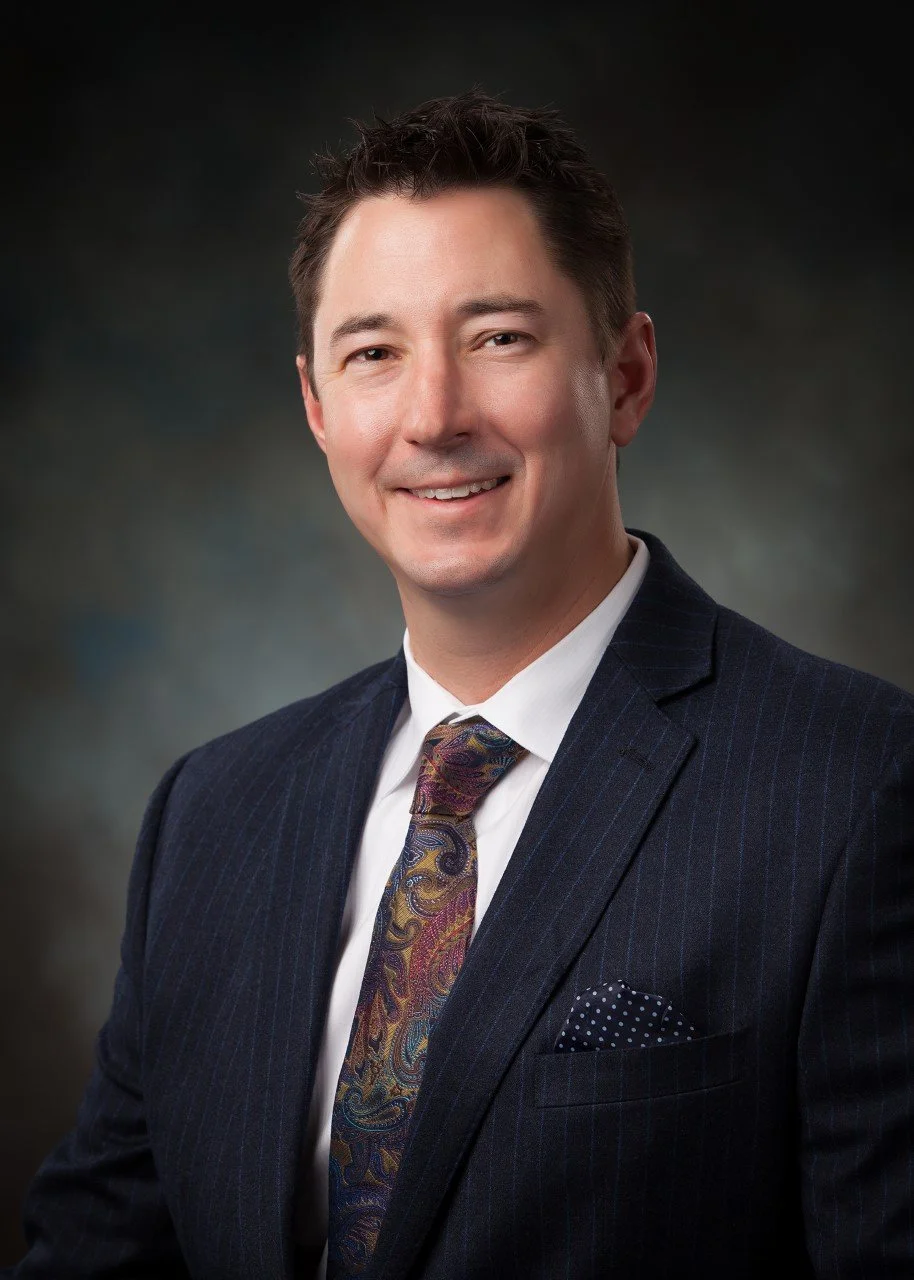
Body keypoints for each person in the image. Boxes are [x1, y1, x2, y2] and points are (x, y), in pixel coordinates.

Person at [6, 88, 914, 1280]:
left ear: (625, 375)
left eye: (498, 336)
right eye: (373, 353)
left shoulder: (853, 785)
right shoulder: (211, 814)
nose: (432, 415)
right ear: (317, 408)